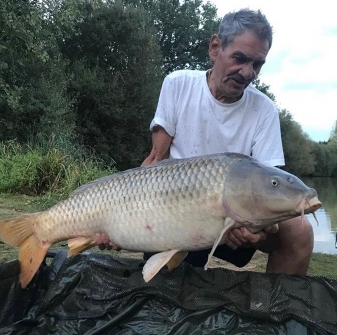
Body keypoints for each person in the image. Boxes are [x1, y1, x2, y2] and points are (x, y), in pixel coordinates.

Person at [97, 8, 314, 275]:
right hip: (172, 210)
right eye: (240, 58)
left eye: (257, 64)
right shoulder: (178, 84)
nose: (248, 72)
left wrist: (260, 228)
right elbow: (155, 160)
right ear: (215, 48)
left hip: (234, 220)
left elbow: (270, 186)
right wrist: (119, 222)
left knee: (300, 230)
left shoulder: (264, 110)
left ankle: (273, 311)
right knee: (167, 288)